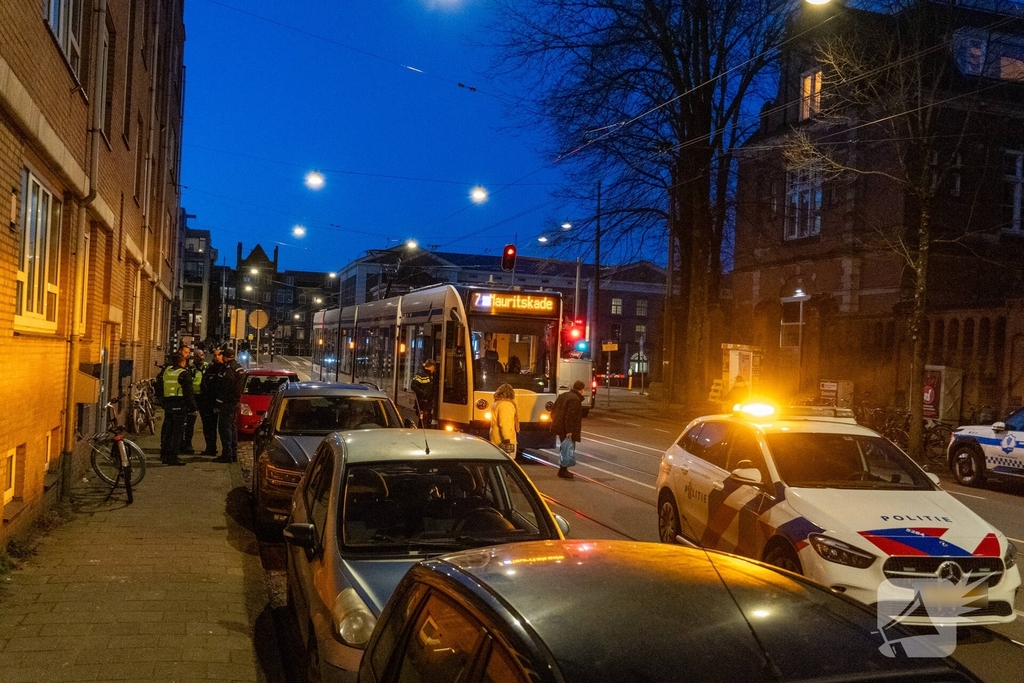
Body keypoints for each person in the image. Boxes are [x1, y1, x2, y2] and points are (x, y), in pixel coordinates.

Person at [159, 354, 195, 466]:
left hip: (168, 405)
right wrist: (193, 407)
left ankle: (165, 455)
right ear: (182, 362)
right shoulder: (183, 374)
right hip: (180, 404)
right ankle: (173, 457)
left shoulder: (167, 371)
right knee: (177, 433)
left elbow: (160, 386)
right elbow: (188, 392)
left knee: (168, 431)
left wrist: (162, 401)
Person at [212, 346, 246, 463]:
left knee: (225, 428)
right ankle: (233, 453)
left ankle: (227, 455)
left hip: (228, 403)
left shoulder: (229, 369)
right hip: (235, 401)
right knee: (232, 427)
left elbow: (225, 387)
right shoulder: (239, 367)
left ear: (225, 357)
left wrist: (218, 402)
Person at [550, 380, 585, 479]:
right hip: (567, 429)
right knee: (567, 449)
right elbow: (570, 416)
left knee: (564, 447)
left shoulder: (564, 395)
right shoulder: (575, 399)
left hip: (560, 426)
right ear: (581, 390)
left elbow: (554, 410)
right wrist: (569, 431)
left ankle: (563, 469)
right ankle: (563, 470)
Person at [197, 349, 222, 456]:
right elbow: (204, 382)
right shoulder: (211, 368)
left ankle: (226, 452)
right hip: (207, 403)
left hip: (220, 403)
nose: (216, 357)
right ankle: (210, 448)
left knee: (222, 428)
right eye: (214, 355)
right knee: (208, 427)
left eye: (218, 355)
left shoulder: (225, 369)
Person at [179, 352, 205, 455]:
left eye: (202, 355)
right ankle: (186, 444)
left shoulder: (207, 366)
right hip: (192, 396)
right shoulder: (190, 368)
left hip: (203, 397)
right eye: (198, 356)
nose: (200, 357)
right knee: (189, 423)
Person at [489, 383, 520, 455]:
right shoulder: (505, 405)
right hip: (502, 440)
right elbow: (504, 423)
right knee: (505, 461)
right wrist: (507, 439)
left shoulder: (496, 403)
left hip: (496, 436)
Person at [411, 359, 438, 427]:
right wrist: (423, 394)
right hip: (422, 404)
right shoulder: (420, 375)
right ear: (432, 366)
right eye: (434, 367)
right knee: (423, 423)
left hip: (428, 404)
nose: (434, 370)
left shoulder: (429, 375)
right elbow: (413, 386)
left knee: (427, 421)